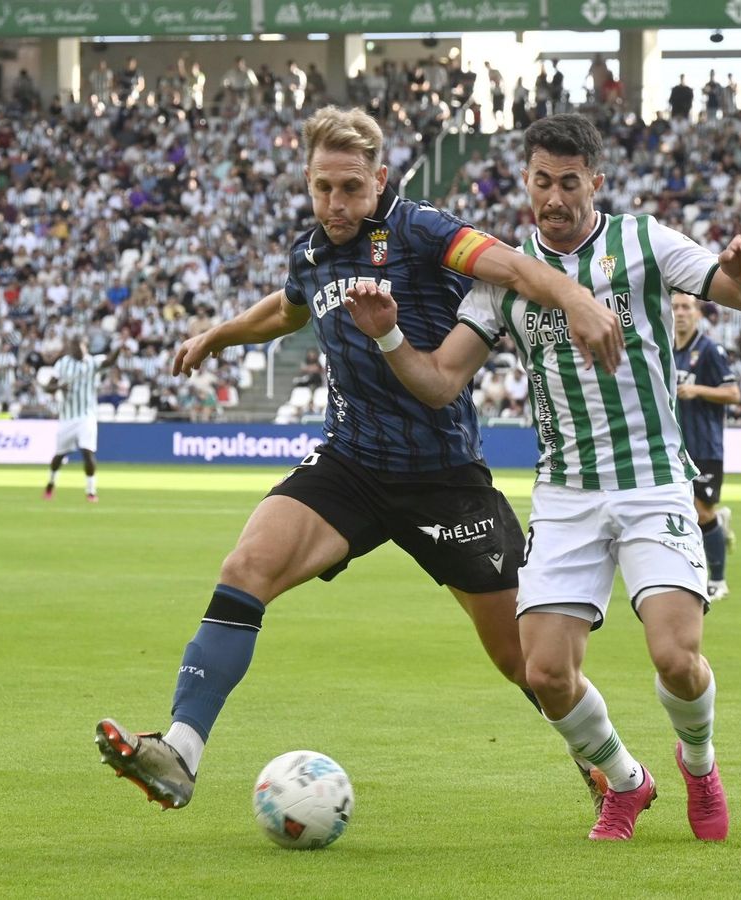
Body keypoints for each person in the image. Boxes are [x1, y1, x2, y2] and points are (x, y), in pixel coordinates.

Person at [92, 106, 626, 814]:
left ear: (379, 180)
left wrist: (577, 299)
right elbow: (288, 310)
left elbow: (513, 266)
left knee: (522, 659)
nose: (336, 204)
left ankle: (607, 766)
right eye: (323, 188)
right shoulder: (311, 253)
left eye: (350, 188)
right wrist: (220, 335)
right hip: (351, 465)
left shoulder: (421, 230)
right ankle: (180, 752)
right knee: (245, 568)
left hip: (444, 478)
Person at [342, 113, 741, 842]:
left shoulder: (644, 242)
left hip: (651, 481)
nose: (554, 197)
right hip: (567, 494)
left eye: (569, 183)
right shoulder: (505, 280)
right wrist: (387, 333)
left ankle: (699, 765)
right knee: (544, 674)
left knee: (676, 658)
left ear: (595, 182)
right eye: (541, 181)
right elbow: (441, 382)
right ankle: (627, 783)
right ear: (526, 181)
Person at [672, 292, 740, 600]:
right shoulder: (666, 350)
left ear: (698, 313)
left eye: (686, 307)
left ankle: (719, 580)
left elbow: (733, 393)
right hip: (676, 445)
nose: (680, 312)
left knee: (701, 512)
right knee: (683, 511)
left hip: (705, 445)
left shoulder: (710, 350)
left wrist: (697, 390)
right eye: (675, 307)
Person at [44, 336, 118, 503]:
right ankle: (51, 483)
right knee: (59, 456)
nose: (76, 350)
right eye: (73, 347)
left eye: (79, 347)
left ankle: (91, 490)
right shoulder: (63, 363)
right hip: (67, 417)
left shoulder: (93, 362)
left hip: (87, 415)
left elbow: (110, 361)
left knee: (88, 452)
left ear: (86, 346)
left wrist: (119, 347)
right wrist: (59, 387)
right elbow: (48, 387)